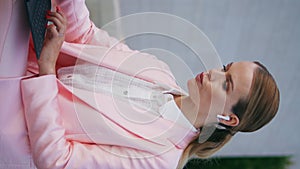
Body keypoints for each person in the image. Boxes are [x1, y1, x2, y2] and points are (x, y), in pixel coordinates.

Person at [1, 0, 280, 169]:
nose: (213, 74)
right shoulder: (159, 72)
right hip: (23, 65)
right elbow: (85, 37)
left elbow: (58, 161)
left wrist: (48, 70)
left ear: (228, 118)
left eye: (226, 85)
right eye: (224, 68)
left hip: (12, 127)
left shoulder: (160, 160)